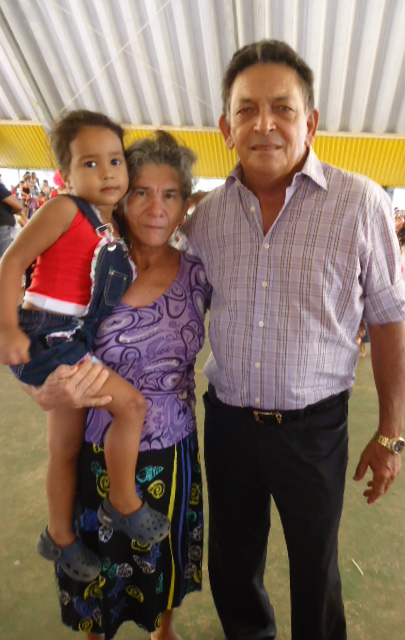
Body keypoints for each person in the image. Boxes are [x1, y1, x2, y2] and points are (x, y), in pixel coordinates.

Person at [181, 40, 405, 640]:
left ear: (309, 122)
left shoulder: (359, 202)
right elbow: (173, 310)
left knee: (316, 567)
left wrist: (390, 434)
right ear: (226, 129)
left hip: (314, 431)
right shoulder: (206, 218)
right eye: (246, 109)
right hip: (229, 426)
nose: (264, 124)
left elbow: (389, 319)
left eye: (282, 108)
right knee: (232, 566)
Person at [25, 130, 209, 639]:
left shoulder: (199, 274)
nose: (155, 208)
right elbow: (41, 323)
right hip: (95, 446)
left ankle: (163, 629)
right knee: (99, 569)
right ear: (121, 198)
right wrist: (37, 385)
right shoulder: (96, 264)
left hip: (172, 447)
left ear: (185, 206)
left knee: (163, 554)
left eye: (169, 194)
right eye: (141, 192)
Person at [0, 110, 169, 583]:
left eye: (115, 160)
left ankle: (58, 535)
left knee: (65, 447)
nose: (108, 172)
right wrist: (7, 328)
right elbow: (11, 262)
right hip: (49, 333)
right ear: (66, 175)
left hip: (75, 337)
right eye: (90, 163)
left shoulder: (112, 229)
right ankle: (123, 502)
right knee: (131, 406)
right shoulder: (64, 210)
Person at [0, 181, 28, 257]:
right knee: (4, 258)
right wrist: (13, 212)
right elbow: (18, 206)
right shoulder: (1, 188)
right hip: (3, 226)